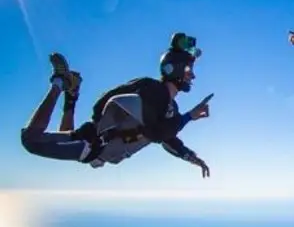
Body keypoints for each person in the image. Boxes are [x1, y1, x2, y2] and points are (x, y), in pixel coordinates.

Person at [19, 33, 212, 176]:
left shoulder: (168, 108)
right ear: (174, 69)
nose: (192, 75)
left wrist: (192, 157)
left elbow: (168, 138)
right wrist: (190, 116)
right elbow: (157, 133)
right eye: (188, 69)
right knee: (31, 141)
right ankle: (59, 83)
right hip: (92, 145)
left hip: (94, 143)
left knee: (66, 131)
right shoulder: (155, 91)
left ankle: (72, 94)